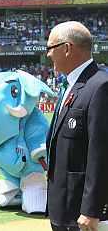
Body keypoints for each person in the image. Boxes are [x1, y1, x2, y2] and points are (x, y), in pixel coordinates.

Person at [46, 21, 108, 231]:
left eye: (50, 48)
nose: (47, 55)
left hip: (82, 213)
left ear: (67, 48)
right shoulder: (70, 85)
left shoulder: (100, 86)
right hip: (63, 207)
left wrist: (92, 210)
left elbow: (101, 153)